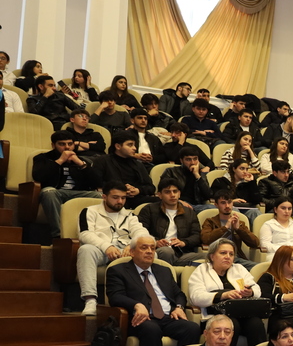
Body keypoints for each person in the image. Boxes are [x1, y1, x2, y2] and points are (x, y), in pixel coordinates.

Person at [106, 235, 201, 346]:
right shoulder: (118, 270)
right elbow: (115, 296)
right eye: (144, 248)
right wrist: (136, 305)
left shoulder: (163, 270)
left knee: (191, 328)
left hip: (166, 317)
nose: (149, 251)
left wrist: (178, 307)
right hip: (140, 319)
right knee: (151, 329)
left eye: (152, 248)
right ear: (132, 251)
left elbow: (179, 294)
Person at [77, 183, 148, 315]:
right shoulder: (90, 211)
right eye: (115, 197)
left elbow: (142, 233)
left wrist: (131, 246)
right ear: (104, 196)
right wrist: (107, 247)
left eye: (123, 198)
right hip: (100, 249)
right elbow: (85, 234)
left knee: (150, 254)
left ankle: (146, 300)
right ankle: (90, 300)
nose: (120, 201)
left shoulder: (130, 215)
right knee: (86, 250)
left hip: (124, 251)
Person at [188, 238, 267, 346]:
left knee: (256, 323)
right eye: (223, 253)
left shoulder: (239, 268)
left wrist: (250, 292)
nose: (228, 257)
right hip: (214, 316)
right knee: (231, 324)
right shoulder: (201, 270)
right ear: (212, 256)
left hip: (242, 313)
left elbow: (257, 290)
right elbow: (196, 297)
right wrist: (223, 295)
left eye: (231, 254)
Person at [33, 130, 101, 239]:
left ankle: (96, 234)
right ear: (53, 145)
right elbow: (39, 177)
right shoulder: (42, 158)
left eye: (70, 144)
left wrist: (80, 163)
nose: (67, 148)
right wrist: (60, 161)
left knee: (100, 196)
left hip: (78, 193)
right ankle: (58, 234)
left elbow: (97, 182)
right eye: (62, 144)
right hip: (56, 192)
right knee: (49, 192)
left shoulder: (82, 160)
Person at [137, 178, 205, 266]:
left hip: (182, 253)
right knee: (166, 251)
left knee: (211, 256)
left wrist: (183, 242)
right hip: (156, 251)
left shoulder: (189, 212)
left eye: (175, 191)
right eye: (167, 192)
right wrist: (155, 242)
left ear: (179, 194)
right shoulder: (149, 210)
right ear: (160, 195)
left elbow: (196, 235)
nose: (172, 195)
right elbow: (141, 232)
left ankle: (175, 265)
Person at [201, 193, 259, 268]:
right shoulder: (210, 221)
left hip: (236, 259)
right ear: (216, 204)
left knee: (260, 268)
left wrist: (238, 229)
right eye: (223, 203)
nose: (227, 206)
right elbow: (206, 239)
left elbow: (255, 243)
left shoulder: (239, 223)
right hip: (216, 259)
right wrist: (225, 227)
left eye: (229, 202)